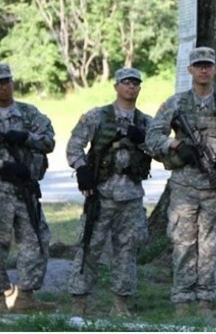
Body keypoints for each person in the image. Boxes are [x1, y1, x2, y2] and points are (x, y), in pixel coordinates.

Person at [145, 46, 216, 318]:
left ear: (215, 69)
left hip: (214, 187)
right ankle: (181, 299)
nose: (204, 70)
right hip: (183, 187)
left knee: (211, 246)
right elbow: (151, 138)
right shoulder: (175, 104)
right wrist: (175, 144)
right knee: (182, 243)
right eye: (199, 65)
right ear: (190, 70)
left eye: (208, 65)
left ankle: (205, 300)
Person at [66, 67, 152, 317]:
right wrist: (82, 170)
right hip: (101, 196)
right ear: (116, 86)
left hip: (132, 197)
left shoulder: (145, 122)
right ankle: (79, 303)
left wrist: (142, 138)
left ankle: (120, 304)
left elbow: (161, 151)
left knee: (127, 250)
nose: (131, 87)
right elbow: (74, 147)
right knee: (89, 247)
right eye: (126, 82)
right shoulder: (97, 117)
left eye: (136, 83)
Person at [0, 63, 56, 313]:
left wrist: (26, 138)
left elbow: (49, 141)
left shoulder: (29, 113)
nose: (4, 86)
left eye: (7, 81)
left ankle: (26, 295)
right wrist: (1, 165)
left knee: (36, 240)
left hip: (26, 189)